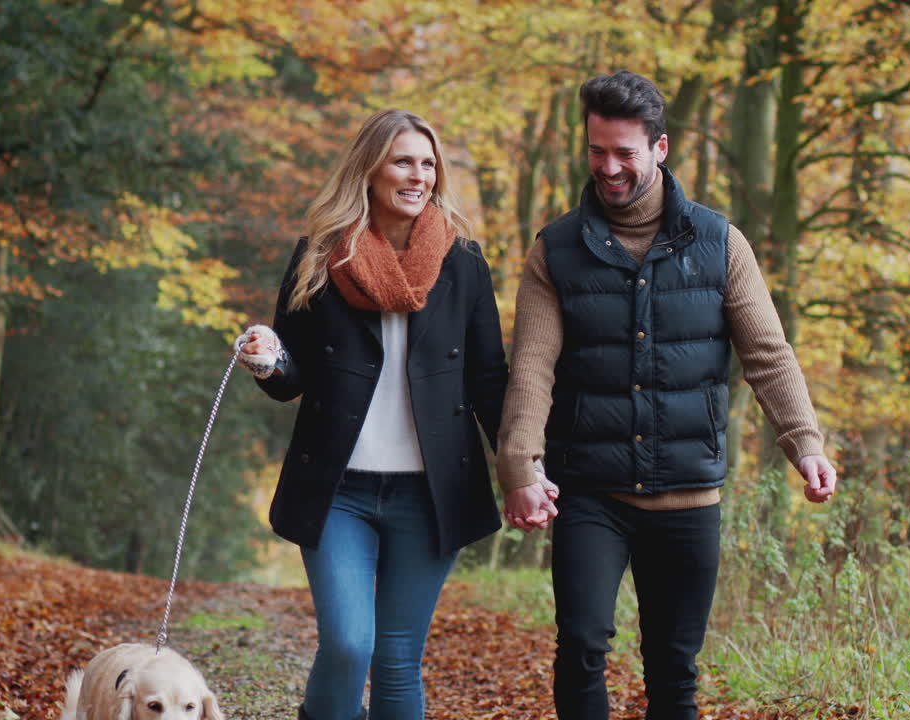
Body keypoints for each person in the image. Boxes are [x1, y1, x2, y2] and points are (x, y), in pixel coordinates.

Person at [495, 70, 839, 720]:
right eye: (597, 151)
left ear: (660, 147)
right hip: (590, 490)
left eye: (624, 152)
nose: (609, 167)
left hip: (688, 491)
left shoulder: (718, 244)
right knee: (582, 646)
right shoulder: (557, 252)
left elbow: (768, 353)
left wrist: (805, 445)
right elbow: (533, 367)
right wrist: (520, 466)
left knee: (674, 670)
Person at [233, 108, 508, 720]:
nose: (419, 176)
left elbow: (489, 379)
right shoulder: (318, 257)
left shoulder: (463, 262)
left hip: (433, 491)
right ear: (369, 168)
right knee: (349, 644)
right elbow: (290, 378)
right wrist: (267, 359)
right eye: (403, 161)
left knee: (397, 659)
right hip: (338, 492)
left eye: (429, 163)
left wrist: (524, 468)